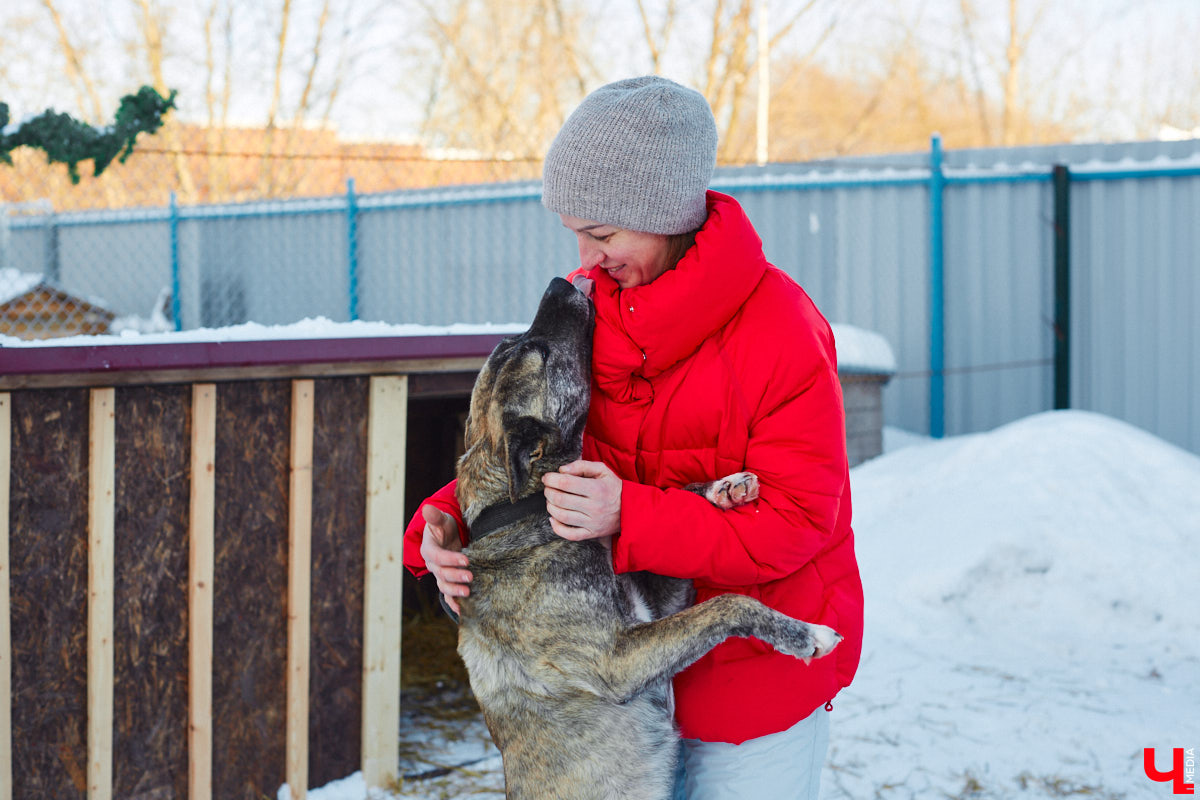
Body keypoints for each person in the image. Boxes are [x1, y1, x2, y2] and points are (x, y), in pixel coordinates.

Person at [402, 75, 863, 800]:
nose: (585, 256)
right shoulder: (599, 312)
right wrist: (445, 528)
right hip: (619, 697)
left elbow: (800, 521)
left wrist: (634, 517)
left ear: (664, 213)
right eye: (577, 233)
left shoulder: (783, 333)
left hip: (749, 694)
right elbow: (547, 448)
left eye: (603, 233)